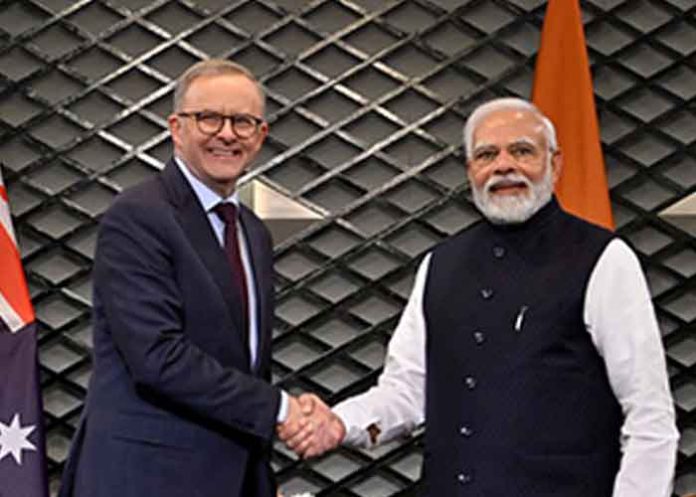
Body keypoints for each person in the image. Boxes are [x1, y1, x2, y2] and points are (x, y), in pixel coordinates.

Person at [280, 97, 679, 497]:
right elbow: (406, 392)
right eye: (487, 154)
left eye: (522, 151)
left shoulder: (604, 258)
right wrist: (339, 422)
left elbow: (649, 417)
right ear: (471, 170)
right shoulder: (440, 264)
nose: (504, 165)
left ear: (555, 165)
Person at [59, 59, 308, 497]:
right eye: (209, 118)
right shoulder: (138, 216)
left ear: (261, 136)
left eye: (243, 122)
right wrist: (283, 410)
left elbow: (242, 363)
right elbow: (158, 357)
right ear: (176, 127)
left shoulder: (253, 232)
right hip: (145, 480)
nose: (227, 133)